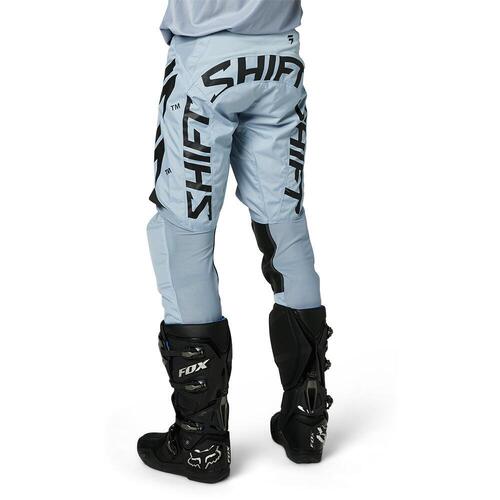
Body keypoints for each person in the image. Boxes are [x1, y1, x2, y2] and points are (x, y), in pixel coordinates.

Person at [137, 0, 333, 483]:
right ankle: (307, 422)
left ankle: (201, 440)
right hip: (279, 60)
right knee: (284, 226)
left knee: (186, 230)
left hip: (207, 59)